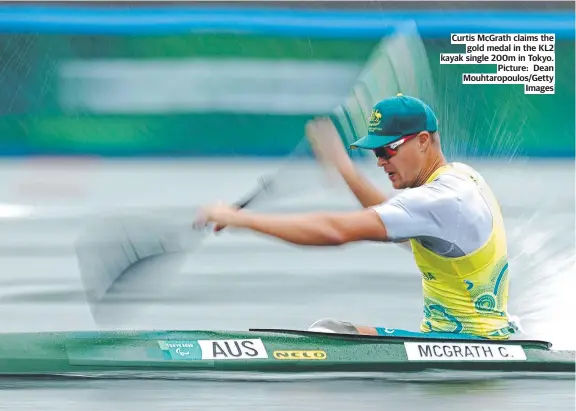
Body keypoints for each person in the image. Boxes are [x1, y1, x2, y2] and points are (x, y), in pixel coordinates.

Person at [195, 93, 521, 341]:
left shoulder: (439, 200)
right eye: (374, 153)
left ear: (423, 141)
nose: (379, 162)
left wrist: (240, 219)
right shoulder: (460, 179)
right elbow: (399, 217)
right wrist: (346, 171)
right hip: (473, 342)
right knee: (330, 332)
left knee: (325, 333)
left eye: (386, 150)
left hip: (468, 348)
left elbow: (336, 231)